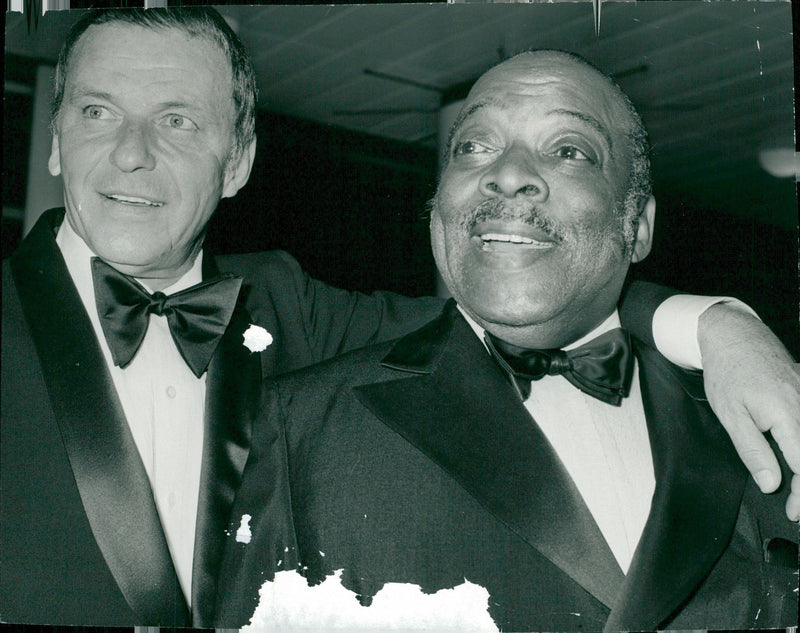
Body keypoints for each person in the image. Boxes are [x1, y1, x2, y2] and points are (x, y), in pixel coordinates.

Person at [1, 7, 797, 627]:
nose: (132, 152)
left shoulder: (287, 304)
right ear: (56, 142)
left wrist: (714, 323)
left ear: (237, 161)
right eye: (98, 112)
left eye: (177, 120)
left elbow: (514, 298)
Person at [216, 51, 799, 630]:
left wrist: (721, 319)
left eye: (569, 151)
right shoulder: (304, 429)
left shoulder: (762, 411)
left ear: (637, 226)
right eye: (475, 146)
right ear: (436, 207)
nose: (509, 173)